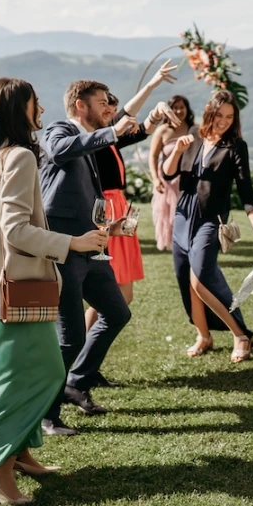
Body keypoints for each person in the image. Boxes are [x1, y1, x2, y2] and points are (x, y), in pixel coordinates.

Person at [0, 78, 107, 505]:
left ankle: (17, 453)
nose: (41, 108)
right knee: (41, 375)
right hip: (16, 292)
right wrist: (74, 243)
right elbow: (16, 230)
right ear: (17, 111)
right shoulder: (21, 157)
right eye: (34, 103)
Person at [39, 62, 179, 435]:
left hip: (93, 244)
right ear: (81, 105)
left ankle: (77, 381)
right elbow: (56, 151)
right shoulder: (60, 130)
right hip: (65, 249)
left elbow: (88, 194)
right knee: (69, 338)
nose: (109, 109)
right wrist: (113, 130)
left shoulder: (93, 139)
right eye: (103, 102)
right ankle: (47, 414)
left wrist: (109, 226)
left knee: (117, 313)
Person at [162, 90, 253, 362]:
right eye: (220, 115)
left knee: (201, 280)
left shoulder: (235, 146)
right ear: (210, 112)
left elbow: (247, 192)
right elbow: (168, 172)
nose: (224, 121)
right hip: (182, 217)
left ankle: (241, 335)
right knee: (186, 280)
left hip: (211, 220)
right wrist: (177, 149)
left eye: (230, 117)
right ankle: (203, 336)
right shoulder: (194, 135)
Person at [81, 92, 146, 339]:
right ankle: (82, 356)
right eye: (106, 108)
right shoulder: (94, 139)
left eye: (113, 109)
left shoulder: (111, 140)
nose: (111, 113)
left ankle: (84, 357)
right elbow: (128, 113)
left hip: (119, 207)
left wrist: (157, 113)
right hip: (107, 210)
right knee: (108, 297)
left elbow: (140, 127)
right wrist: (153, 83)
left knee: (125, 295)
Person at [148, 95, 196, 251]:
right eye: (175, 107)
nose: (179, 110)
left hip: (189, 178)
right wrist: (155, 179)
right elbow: (153, 156)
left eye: (182, 107)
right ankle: (173, 245)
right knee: (168, 216)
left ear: (187, 109)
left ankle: (190, 242)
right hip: (167, 180)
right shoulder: (163, 131)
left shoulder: (194, 129)